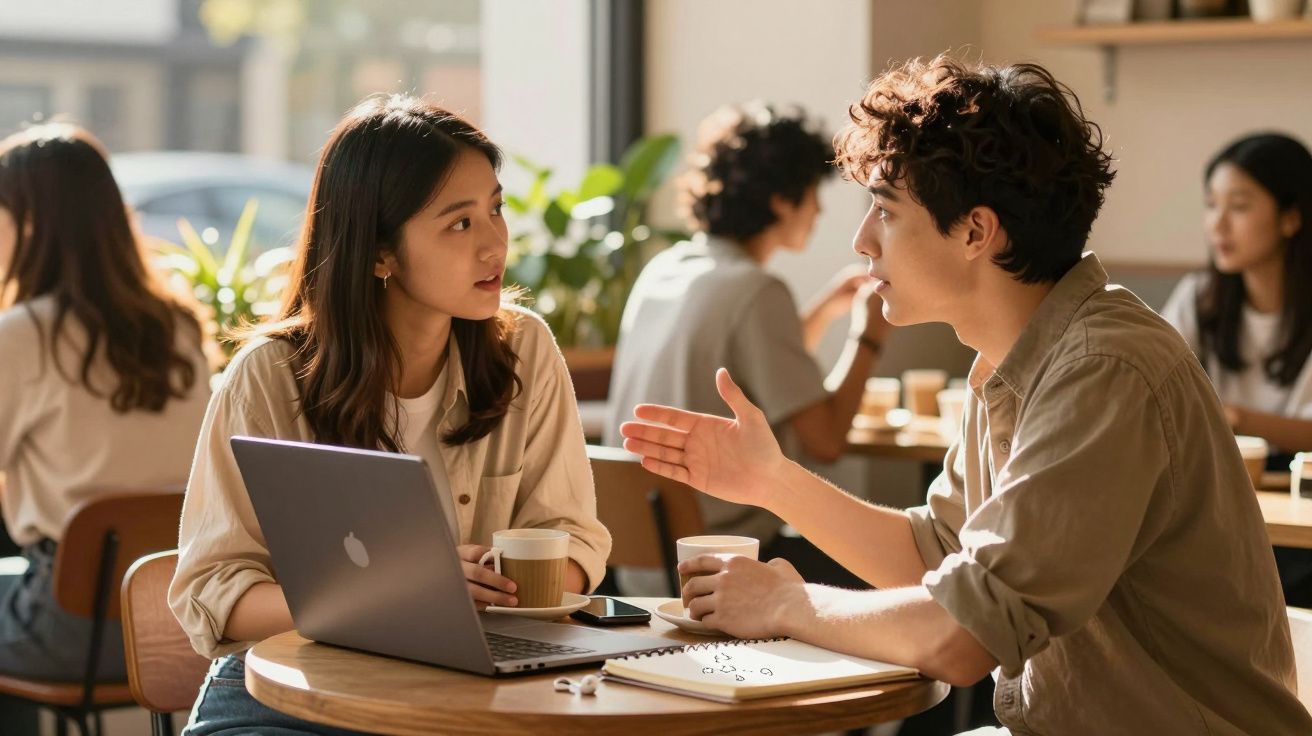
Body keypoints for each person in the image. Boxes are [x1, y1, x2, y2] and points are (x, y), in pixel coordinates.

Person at [619, 57, 1311, 734]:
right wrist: (772, 481)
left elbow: (963, 638)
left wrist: (787, 605)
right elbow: (937, 553)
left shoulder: (1103, 368)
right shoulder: (1013, 358)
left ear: (976, 231)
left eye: (884, 210)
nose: (862, 241)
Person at [168, 94, 611, 735]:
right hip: (288, 695)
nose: (495, 243)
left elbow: (572, 538)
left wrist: (498, 585)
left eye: (495, 209)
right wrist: (392, 599)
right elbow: (212, 590)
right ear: (380, 253)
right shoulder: (269, 376)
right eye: (459, 224)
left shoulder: (524, 352)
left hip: (461, 689)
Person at [604, 102, 888, 591]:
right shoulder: (758, 292)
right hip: (720, 563)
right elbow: (826, 442)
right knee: (895, 569)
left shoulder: (666, 269)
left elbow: (751, 370)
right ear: (781, 200)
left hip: (638, 566)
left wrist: (823, 311)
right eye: (812, 195)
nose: (819, 211)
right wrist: (869, 337)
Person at [0, 123, 212, 732]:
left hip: (76, 631)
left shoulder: (24, 334)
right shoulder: (178, 327)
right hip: (177, 624)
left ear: (29, 225)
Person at [1161, 132, 1312, 609]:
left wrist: (1236, 419)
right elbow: (1150, 385)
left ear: (1291, 217)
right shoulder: (1198, 297)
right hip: (1214, 490)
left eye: (1239, 206)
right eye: (1212, 205)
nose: (1218, 224)